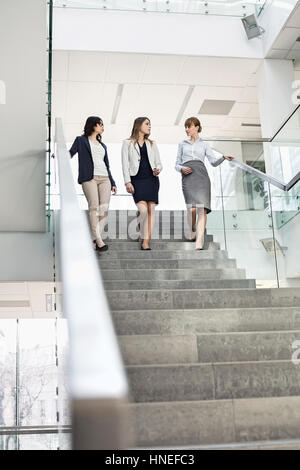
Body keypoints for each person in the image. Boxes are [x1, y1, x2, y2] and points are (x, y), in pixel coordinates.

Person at [175, 117, 234, 250]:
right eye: (185, 127)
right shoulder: (182, 144)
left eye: (189, 126)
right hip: (188, 177)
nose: (187, 129)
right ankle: (192, 230)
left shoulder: (205, 145)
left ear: (197, 127)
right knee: (192, 208)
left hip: (202, 177)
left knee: (202, 209)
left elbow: (213, 162)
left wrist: (223, 157)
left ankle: (199, 240)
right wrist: (181, 168)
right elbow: (176, 164)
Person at [69, 116, 117, 252]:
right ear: (93, 125)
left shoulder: (103, 145)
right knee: (94, 206)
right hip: (89, 178)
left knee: (104, 209)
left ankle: (94, 239)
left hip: (105, 178)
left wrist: (112, 182)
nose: (102, 127)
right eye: (100, 124)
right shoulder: (81, 140)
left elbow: (107, 165)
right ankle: (99, 240)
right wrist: (60, 155)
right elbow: (71, 153)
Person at [122, 117, 162, 250]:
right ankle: (141, 228)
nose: (150, 126)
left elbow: (159, 163)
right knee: (143, 211)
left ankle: (145, 241)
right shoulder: (127, 143)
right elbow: (125, 164)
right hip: (137, 181)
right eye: (147, 124)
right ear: (139, 125)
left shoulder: (152, 143)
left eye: (150, 124)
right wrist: (127, 182)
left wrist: (158, 169)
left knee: (151, 211)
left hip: (151, 180)